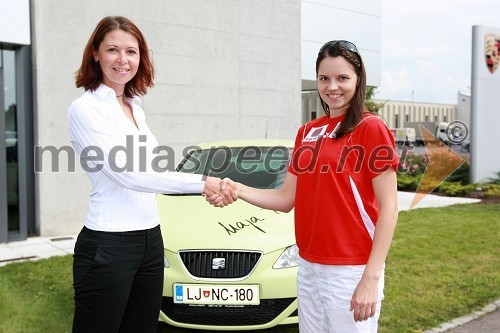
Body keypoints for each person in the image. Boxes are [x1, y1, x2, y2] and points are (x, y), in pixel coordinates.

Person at [210, 40, 399, 332]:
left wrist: (370, 278)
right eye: (324, 78)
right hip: (309, 266)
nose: (332, 86)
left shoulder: (370, 127)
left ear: (359, 80)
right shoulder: (308, 132)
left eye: (342, 78)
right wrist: (239, 189)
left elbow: (389, 208)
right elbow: (287, 198)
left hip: (350, 269)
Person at [68, 16, 235, 333]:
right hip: (108, 243)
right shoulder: (85, 108)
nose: (123, 60)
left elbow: (153, 172)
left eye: (131, 51)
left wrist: (203, 185)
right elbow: (128, 175)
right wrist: (202, 184)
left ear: (141, 57)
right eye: (113, 49)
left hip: (150, 239)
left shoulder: (134, 106)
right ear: (95, 53)